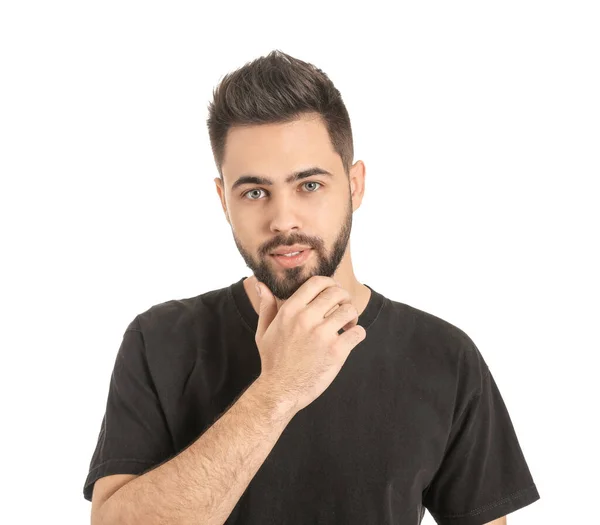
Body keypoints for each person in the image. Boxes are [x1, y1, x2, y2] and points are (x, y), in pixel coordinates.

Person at [83, 50, 540, 525]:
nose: (283, 219)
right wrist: (278, 389)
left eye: (310, 186)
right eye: (254, 192)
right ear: (224, 200)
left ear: (355, 184)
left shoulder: (445, 356)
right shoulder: (159, 340)